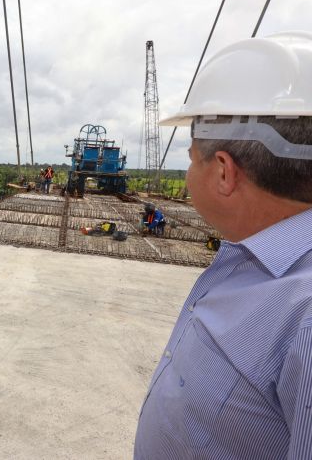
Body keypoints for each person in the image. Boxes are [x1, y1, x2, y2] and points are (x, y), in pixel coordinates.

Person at [134, 32, 312, 459]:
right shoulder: (252, 261)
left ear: (223, 172)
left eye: (192, 157)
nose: (187, 172)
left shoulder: (303, 318)